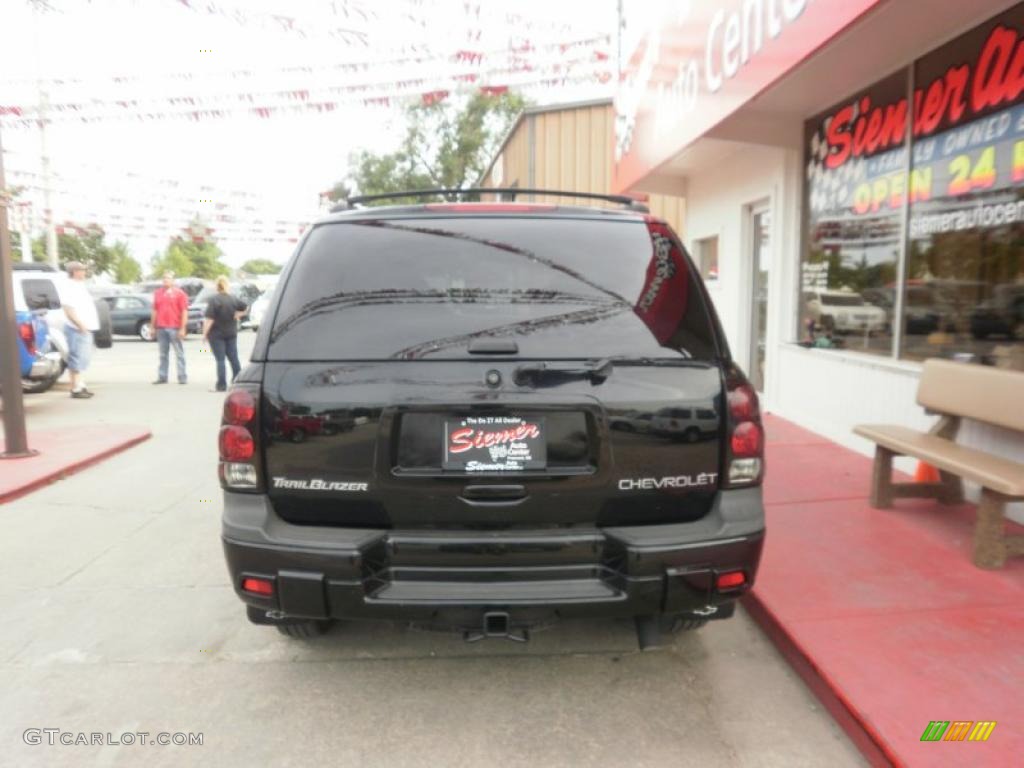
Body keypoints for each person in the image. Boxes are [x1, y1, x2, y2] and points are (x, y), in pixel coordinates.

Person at [61, 261, 99, 399]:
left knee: (83, 358)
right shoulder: (69, 286)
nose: (84, 272)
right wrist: (79, 324)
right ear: (74, 271)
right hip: (76, 328)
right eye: (82, 270)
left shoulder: (80, 286)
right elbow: (68, 309)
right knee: (76, 357)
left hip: (85, 328)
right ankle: (75, 388)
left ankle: (80, 385)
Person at [202, 276, 247, 392]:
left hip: (217, 334)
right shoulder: (233, 298)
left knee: (220, 360)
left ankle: (221, 385)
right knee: (233, 358)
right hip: (231, 332)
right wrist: (238, 315)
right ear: (227, 285)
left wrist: (204, 334)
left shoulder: (214, 300)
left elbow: (210, 319)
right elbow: (246, 307)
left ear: (217, 286)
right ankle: (238, 382)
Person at [151, 271, 189, 384]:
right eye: (164, 278)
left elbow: (184, 311)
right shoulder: (158, 293)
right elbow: (154, 310)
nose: (165, 280)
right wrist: (152, 327)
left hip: (175, 327)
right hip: (161, 327)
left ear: (173, 281)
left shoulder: (180, 294)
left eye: (168, 278)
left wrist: (183, 328)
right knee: (163, 354)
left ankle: (182, 377)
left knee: (179, 353)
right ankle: (162, 376)